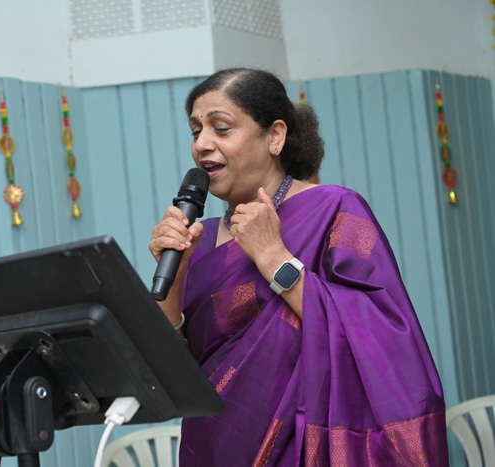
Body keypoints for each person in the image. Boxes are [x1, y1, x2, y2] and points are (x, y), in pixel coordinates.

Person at [148, 68, 448, 466]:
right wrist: (174, 277)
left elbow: (385, 337)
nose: (202, 144)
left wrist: (275, 258)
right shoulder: (198, 242)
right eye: (195, 131)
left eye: (221, 128)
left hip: (305, 446)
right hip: (214, 447)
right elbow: (175, 374)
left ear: (275, 136)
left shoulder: (335, 210)